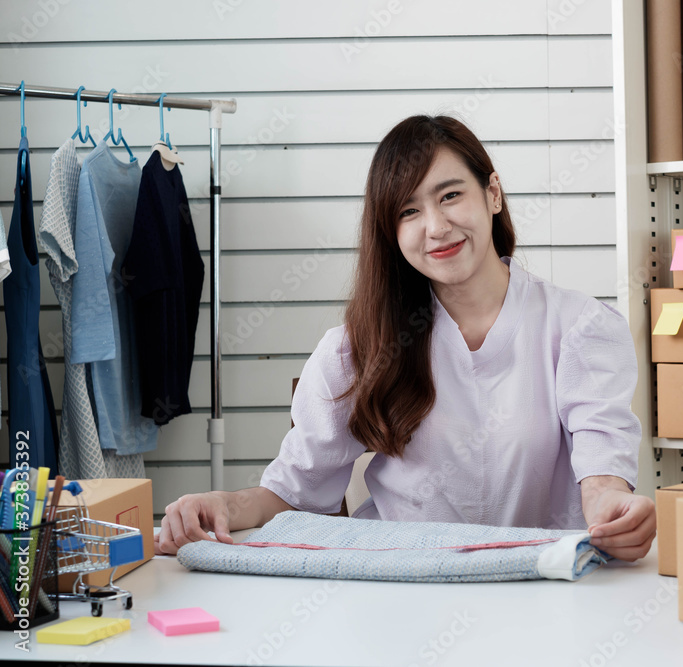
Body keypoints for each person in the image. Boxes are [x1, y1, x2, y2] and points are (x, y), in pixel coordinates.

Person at [156, 115, 655, 561]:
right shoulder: (356, 349)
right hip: (400, 594)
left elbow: (602, 475)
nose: (436, 227)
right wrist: (221, 504)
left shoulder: (581, 328)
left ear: (494, 194)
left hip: (541, 589)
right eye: (408, 211)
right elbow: (294, 493)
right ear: (389, 231)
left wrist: (613, 509)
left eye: (451, 195)